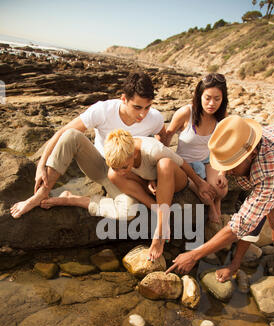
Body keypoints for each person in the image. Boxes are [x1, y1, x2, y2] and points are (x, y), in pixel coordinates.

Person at [39, 129, 216, 261]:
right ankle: (156, 209)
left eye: (124, 166)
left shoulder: (152, 149)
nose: (122, 171)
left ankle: (161, 226)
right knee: (112, 176)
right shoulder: (119, 165)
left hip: (175, 180)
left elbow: (182, 164)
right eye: (116, 166)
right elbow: (127, 174)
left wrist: (199, 183)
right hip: (151, 186)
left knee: (165, 164)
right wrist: (139, 178)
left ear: (134, 153)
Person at [10, 71, 167, 220]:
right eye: (137, 107)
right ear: (124, 99)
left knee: (129, 211)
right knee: (72, 135)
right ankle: (41, 194)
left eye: (147, 107)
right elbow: (62, 132)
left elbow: (163, 135)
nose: (143, 114)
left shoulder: (155, 118)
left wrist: (153, 174)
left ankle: (72, 200)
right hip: (98, 165)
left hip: (127, 177)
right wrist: (41, 165)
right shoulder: (103, 110)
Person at [166, 115, 274, 283]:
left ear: (252, 155)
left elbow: (241, 224)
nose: (226, 172)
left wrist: (194, 255)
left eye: (230, 166)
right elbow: (263, 202)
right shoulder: (246, 140)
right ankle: (235, 264)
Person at [164, 73, 228, 223]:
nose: (212, 103)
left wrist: (222, 173)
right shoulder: (186, 113)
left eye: (217, 99)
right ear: (199, 96)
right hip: (184, 163)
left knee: (221, 190)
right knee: (206, 197)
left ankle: (217, 202)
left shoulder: (222, 116)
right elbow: (167, 138)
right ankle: (212, 206)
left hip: (207, 160)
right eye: (208, 98)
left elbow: (225, 147)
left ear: (223, 99)